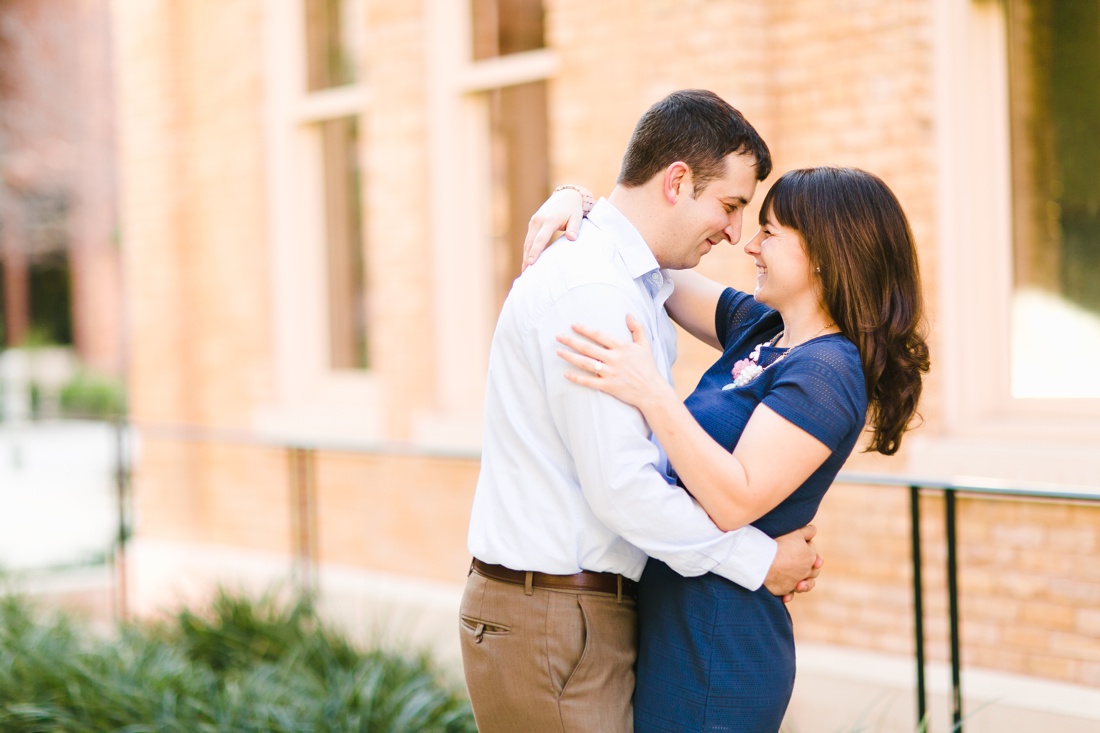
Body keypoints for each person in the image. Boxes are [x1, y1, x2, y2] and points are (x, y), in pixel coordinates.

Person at [460, 90, 825, 733]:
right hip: (553, 616)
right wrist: (760, 561)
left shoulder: (636, 281)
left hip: (571, 612)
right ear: (677, 181)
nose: (736, 234)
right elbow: (624, 490)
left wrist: (577, 195)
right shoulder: (592, 292)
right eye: (732, 206)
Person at [530, 165, 930, 732]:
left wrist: (649, 391)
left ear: (823, 252)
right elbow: (651, 262)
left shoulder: (828, 369)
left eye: (770, 232)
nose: (749, 245)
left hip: (720, 650)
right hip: (675, 624)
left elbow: (735, 499)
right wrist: (579, 199)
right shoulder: (764, 330)